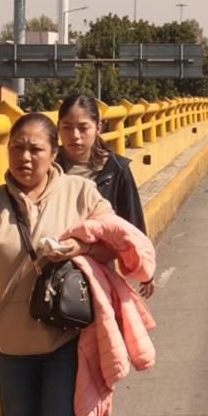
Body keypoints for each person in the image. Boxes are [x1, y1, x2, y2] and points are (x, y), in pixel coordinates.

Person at [0, 112, 119, 416]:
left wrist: (79, 247)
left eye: (35, 149)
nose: (24, 157)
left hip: (65, 339)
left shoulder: (80, 192)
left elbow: (113, 243)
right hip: (10, 345)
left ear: (54, 153)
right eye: (16, 148)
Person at [55, 94, 155, 299]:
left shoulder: (116, 169)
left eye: (83, 128)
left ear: (98, 128)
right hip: (54, 264)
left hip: (100, 267)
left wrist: (145, 271)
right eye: (67, 127)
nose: (75, 136)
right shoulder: (48, 167)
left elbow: (131, 223)